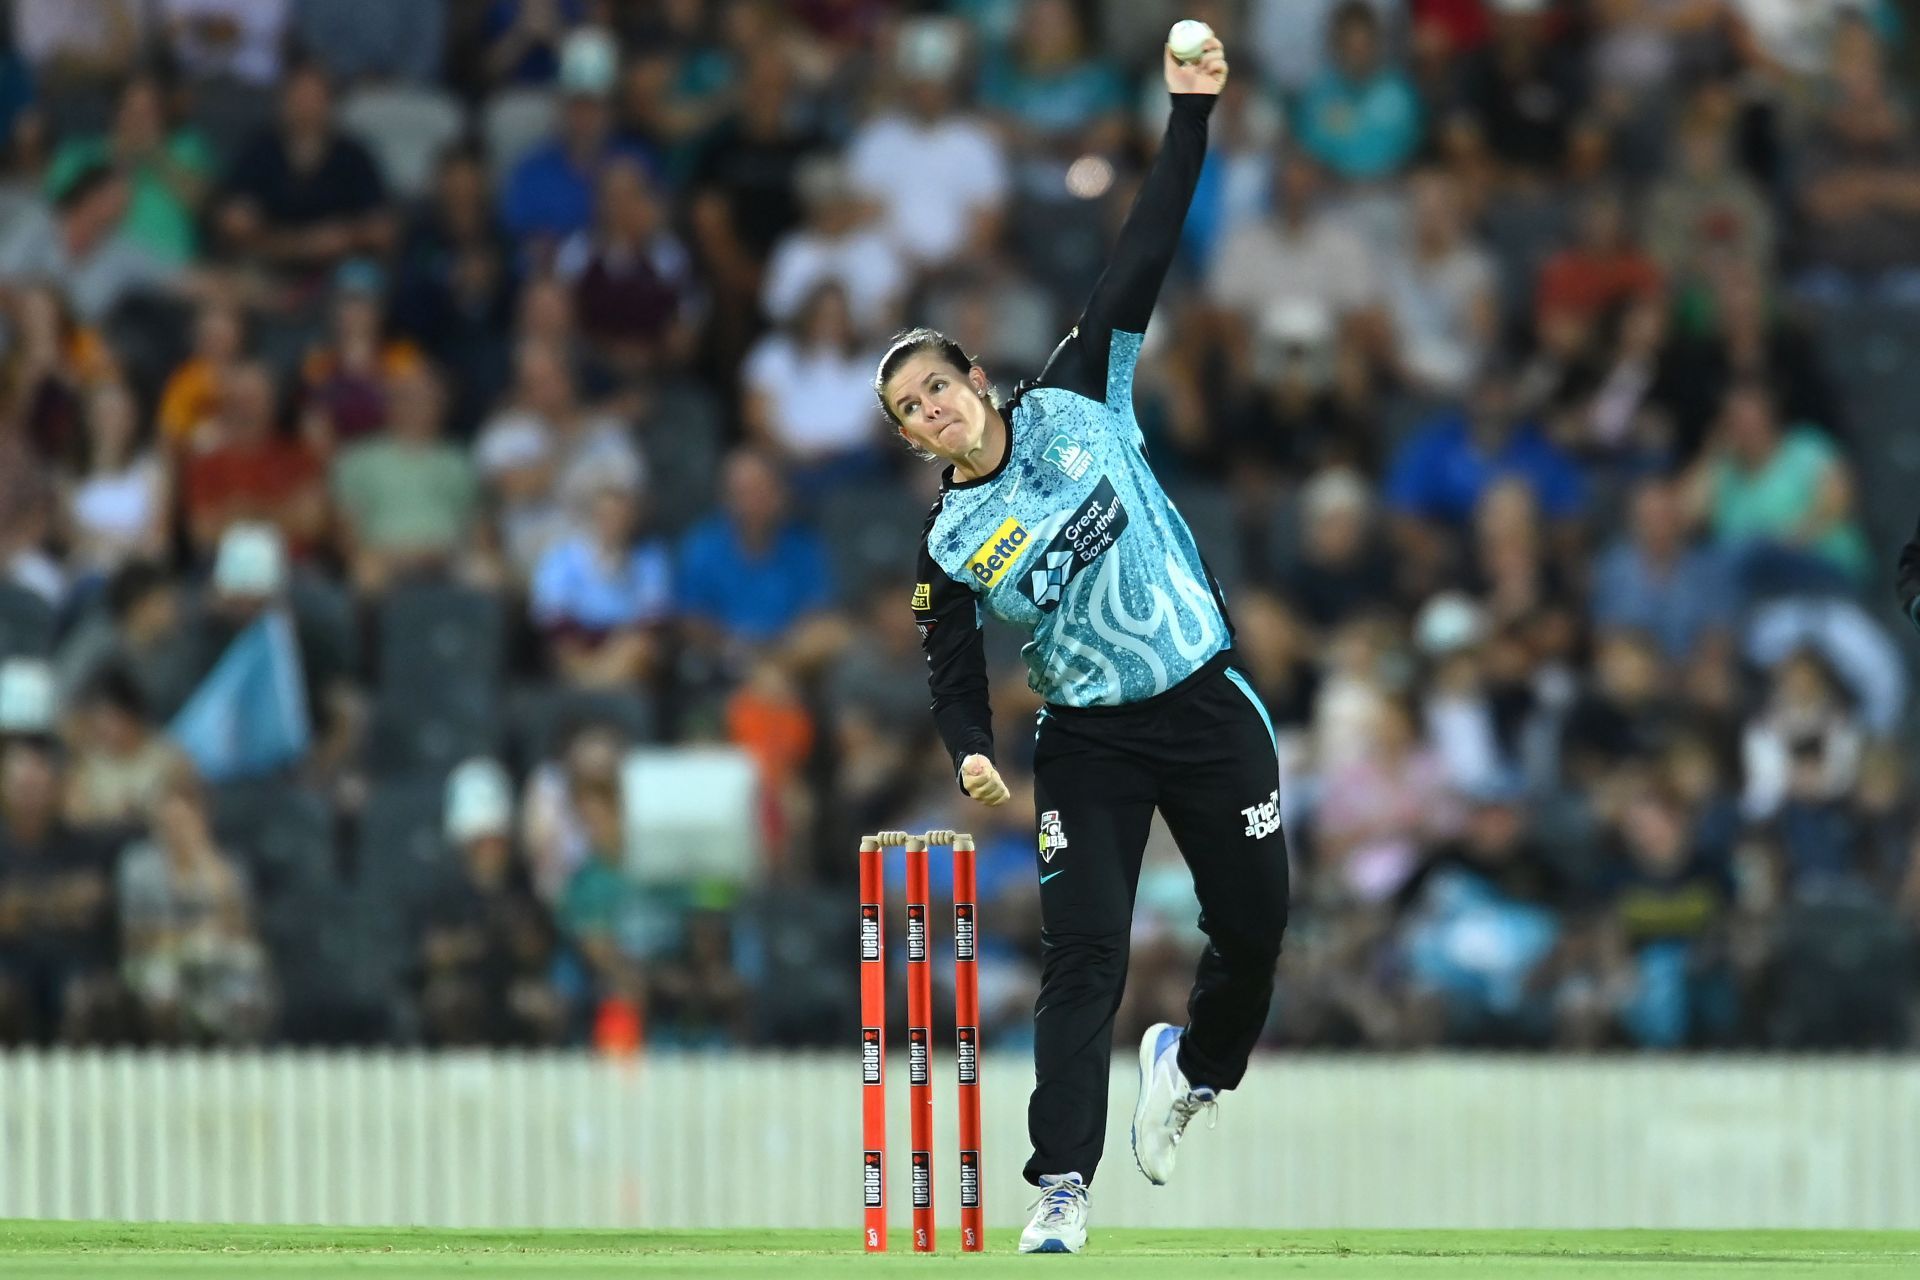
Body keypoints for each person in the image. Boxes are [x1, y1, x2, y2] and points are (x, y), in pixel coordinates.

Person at [876, 35, 1285, 1255]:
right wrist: (969, 755)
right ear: (910, 440)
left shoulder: (1080, 390)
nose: (930, 411)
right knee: (1085, 956)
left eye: (938, 387)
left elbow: (1145, 242)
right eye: (908, 412)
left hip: (1207, 701)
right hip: (1092, 741)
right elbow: (949, 667)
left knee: (1256, 931)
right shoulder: (952, 538)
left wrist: (1190, 110)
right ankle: (1061, 1182)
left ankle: (1197, 1068)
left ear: (980, 380)